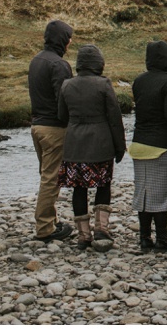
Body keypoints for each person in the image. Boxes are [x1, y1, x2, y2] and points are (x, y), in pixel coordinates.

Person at [58, 44, 126, 250]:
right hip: (101, 144)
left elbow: (62, 116)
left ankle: (83, 235)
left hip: (74, 146)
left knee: (79, 189)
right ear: (99, 63)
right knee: (103, 185)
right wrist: (120, 146)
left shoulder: (66, 85)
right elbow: (115, 118)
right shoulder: (103, 84)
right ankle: (101, 229)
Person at [129, 41, 167, 252]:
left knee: (142, 192)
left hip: (139, 143)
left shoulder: (138, 81)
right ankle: (162, 238)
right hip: (164, 145)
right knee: (161, 194)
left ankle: (144, 238)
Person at [28, 19, 75, 243]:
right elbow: (64, 100)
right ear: (62, 40)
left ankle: (51, 221)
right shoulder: (59, 65)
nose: (70, 42)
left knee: (46, 175)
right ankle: (45, 227)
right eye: (68, 38)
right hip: (54, 128)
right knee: (51, 178)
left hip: (36, 125)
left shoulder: (37, 59)